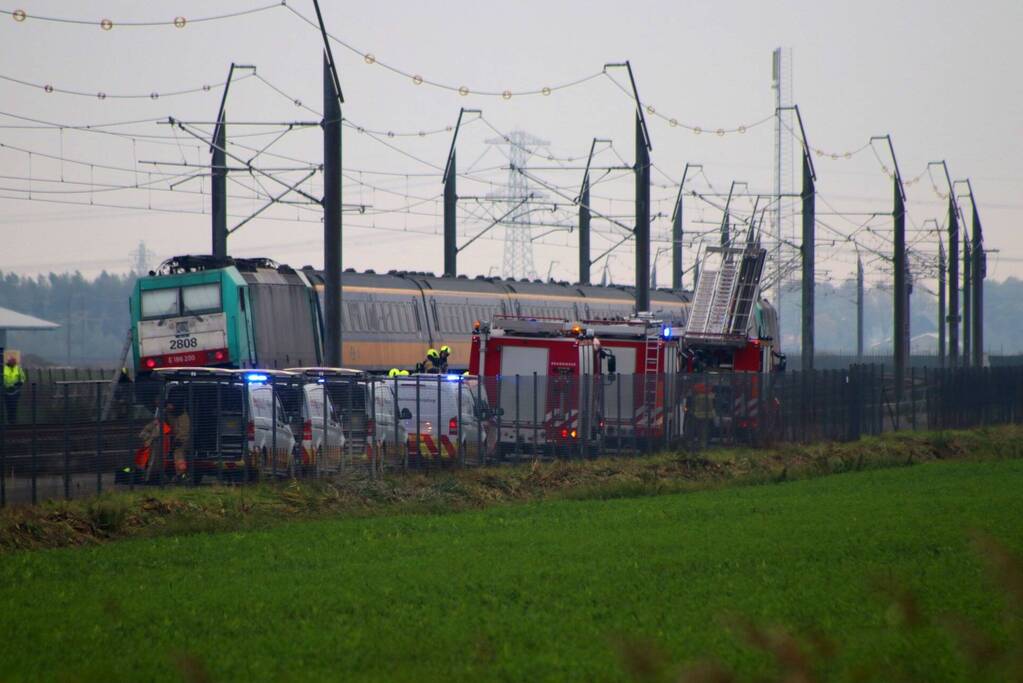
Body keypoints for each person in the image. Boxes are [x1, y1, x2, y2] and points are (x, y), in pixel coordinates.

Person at [3, 355, 26, 424]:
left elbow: (23, 377)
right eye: (12, 361)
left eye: (14, 361)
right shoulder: (3, 368)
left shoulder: (18, 368)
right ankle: (8, 421)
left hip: (15, 391)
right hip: (6, 391)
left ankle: (13, 421)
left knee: (14, 406)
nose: (13, 362)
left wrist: (20, 383)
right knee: (7, 406)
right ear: (8, 361)